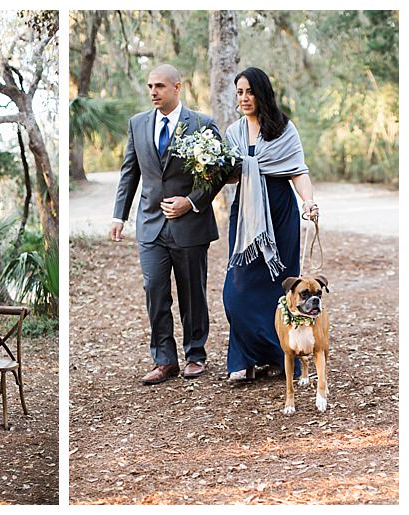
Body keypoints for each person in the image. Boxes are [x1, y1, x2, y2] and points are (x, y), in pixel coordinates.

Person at [111, 63, 224, 385]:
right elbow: (129, 172)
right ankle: (164, 360)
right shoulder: (137, 124)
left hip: (190, 225)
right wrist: (119, 215)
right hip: (150, 225)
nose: (153, 92)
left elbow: (216, 173)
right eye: (150, 86)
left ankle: (195, 355)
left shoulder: (202, 124)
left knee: (192, 294)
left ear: (177, 87)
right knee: (155, 291)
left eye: (159, 86)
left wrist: (191, 201)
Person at [223, 67, 319, 381]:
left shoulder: (284, 130)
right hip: (247, 212)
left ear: (262, 92)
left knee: (279, 287)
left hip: (280, 211)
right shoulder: (233, 132)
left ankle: (281, 356)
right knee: (237, 289)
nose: (244, 98)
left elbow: (297, 170)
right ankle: (244, 357)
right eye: (239, 92)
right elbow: (230, 175)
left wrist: (308, 201)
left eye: (249, 91)